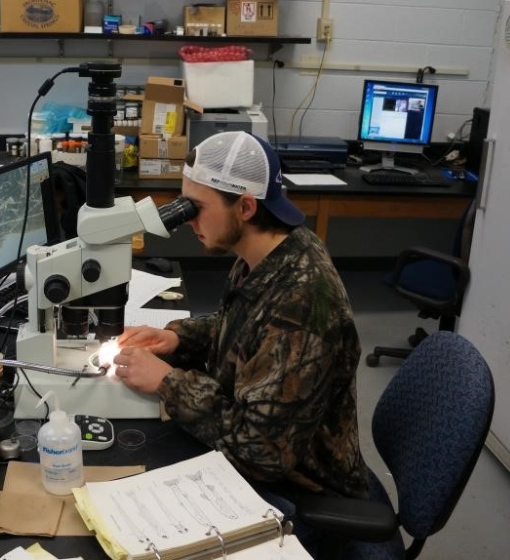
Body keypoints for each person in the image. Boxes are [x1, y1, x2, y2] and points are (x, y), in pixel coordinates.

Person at [113, 131, 368, 551]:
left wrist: (167, 383)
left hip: (301, 490)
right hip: (260, 442)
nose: (188, 222)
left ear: (246, 206)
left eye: (196, 209)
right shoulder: (271, 251)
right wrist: (176, 338)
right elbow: (244, 327)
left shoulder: (302, 304)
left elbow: (261, 451)